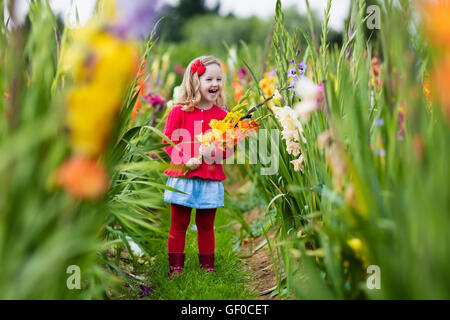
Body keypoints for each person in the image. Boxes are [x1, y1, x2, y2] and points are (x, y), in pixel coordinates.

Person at [162, 56, 235, 279]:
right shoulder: (179, 112)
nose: (215, 84)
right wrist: (184, 159)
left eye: (219, 79)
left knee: (206, 224)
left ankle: (207, 267)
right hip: (183, 177)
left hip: (209, 177)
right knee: (179, 223)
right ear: (195, 81)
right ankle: (175, 267)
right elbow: (168, 141)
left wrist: (214, 152)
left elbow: (230, 149)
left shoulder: (223, 117)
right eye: (209, 79)